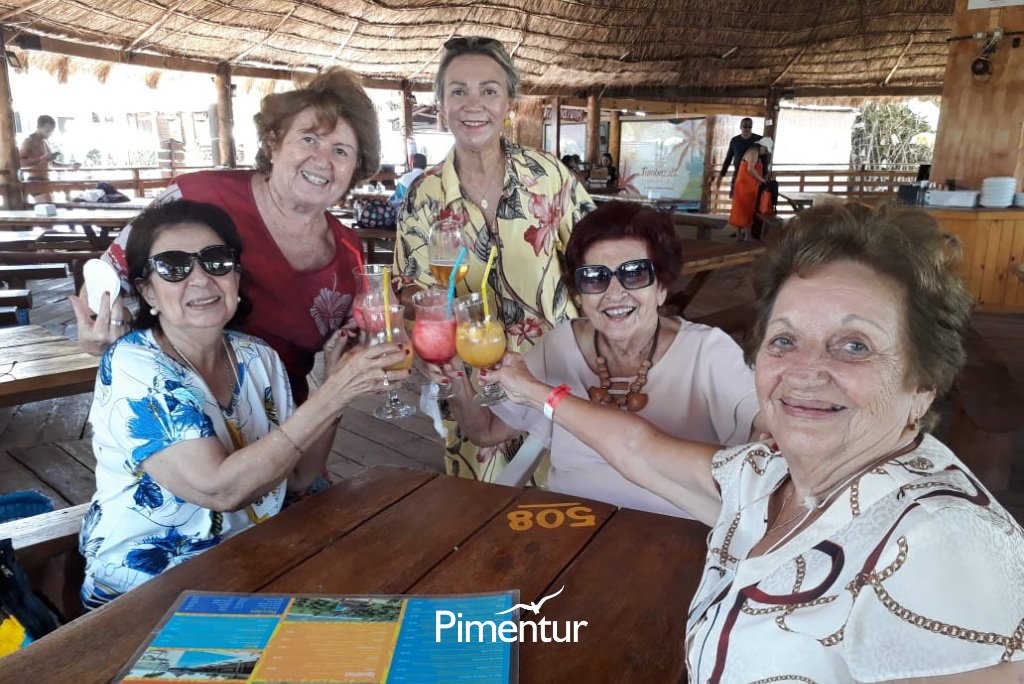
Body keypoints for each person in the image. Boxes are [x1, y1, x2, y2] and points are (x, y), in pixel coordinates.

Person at [484, 202, 1024, 682]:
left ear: (923, 384)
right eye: (785, 339)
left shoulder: (946, 541)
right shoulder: (766, 476)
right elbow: (636, 448)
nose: (805, 372)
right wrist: (537, 392)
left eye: (855, 345)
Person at [79, 200, 409, 609]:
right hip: (145, 595)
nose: (201, 279)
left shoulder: (257, 356)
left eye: (216, 261)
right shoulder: (134, 365)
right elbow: (221, 490)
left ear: (236, 276)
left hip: (251, 566)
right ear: (148, 291)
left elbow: (300, 476)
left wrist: (333, 387)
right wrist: (334, 392)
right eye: (174, 267)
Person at [70, 67, 381, 405]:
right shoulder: (198, 194)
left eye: (341, 150)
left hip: (286, 418)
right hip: (175, 407)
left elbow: (355, 337)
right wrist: (103, 322)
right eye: (309, 139)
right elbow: (107, 274)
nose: (322, 160)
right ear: (273, 143)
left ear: (356, 168)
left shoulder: (349, 251)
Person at [429, 201, 758, 517]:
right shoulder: (559, 345)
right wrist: (455, 376)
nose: (614, 292)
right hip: (571, 524)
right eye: (595, 277)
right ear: (579, 293)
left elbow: (767, 445)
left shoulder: (708, 352)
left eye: (634, 273)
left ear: (661, 288)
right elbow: (486, 432)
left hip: (673, 534)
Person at [395, 35, 594, 483]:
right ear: (442, 106)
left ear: (509, 104)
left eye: (489, 90)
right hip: (470, 382)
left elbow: (593, 258)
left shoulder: (547, 175)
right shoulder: (424, 195)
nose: (474, 104)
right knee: (483, 499)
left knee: (568, 495)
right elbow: (409, 288)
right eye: (458, 91)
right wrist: (425, 328)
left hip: (557, 370)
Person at [18, 114, 81, 202]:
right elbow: (19, 163)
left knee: (52, 207)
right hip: (35, 180)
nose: (50, 134)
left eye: (51, 131)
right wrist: (41, 159)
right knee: (49, 207)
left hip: (46, 179)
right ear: (39, 127)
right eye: (47, 131)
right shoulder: (29, 141)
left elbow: (51, 163)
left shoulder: (45, 141)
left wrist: (70, 166)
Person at [725, 137, 772, 242]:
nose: (765, 153)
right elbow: (750, 169)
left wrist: (760, 179)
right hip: (745, 185)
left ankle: (740, 235)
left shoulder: (754, 152)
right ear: (762, 146)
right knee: (746, 209)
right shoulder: (754, 152)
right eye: (766, 150)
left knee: (741, 209)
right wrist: (761, 179)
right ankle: (747, 235)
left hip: (747, 184)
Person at [716, 117, 762, 198]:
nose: (747, 129)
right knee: (736, 199)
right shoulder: (735, 141)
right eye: (745, 126)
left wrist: (764, 174)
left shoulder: (759, 140)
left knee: (752, 200)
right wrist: (721, 175)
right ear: (740, 127)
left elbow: (764, 158)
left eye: (749, 127)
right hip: (738, 175)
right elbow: (728, 159)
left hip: (753, 176)